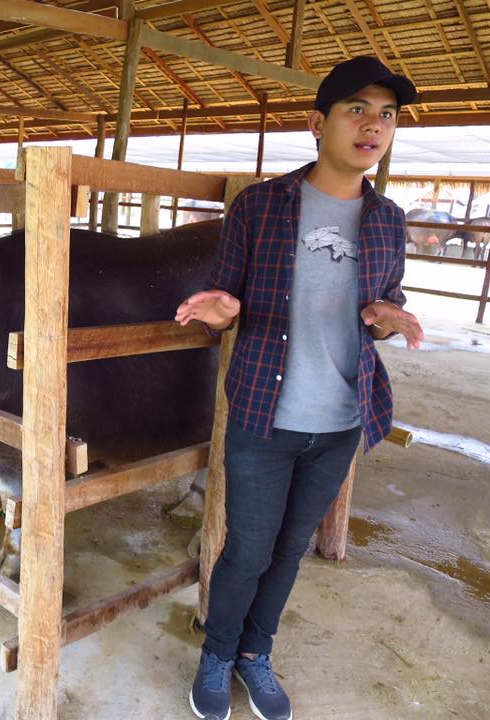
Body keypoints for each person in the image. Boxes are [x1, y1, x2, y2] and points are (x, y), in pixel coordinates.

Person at [175, 56, 425, 720]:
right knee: (249, 548)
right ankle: (217, 654)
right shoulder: (260, 204)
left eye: (387, 115)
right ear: (317, 124)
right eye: (357, 110)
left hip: (341, 418)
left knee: (289, 549)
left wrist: (387, 319)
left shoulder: (389, 220)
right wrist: (220, 311)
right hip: (264, 414)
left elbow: (380, 307)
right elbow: (229, 296)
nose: (374, 125)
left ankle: (257, 654)